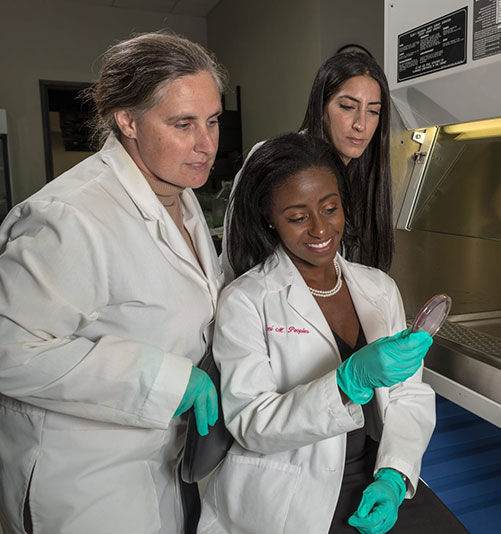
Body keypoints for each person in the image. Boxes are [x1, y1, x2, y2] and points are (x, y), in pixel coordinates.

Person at [0, 31, 224, 534]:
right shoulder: (71, 217)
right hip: (84, 480)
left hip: (161, 461)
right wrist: (167, 380)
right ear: (127, 120)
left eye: (212, 121)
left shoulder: (182, 200)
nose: (206, 144)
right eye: (183, 124)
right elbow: (8, 348)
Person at [198, 134, 467, 534]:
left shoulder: (378, 288)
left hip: (375, 472)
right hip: (290, 486)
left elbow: (409, 394)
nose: (321, 229)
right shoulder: (246, 301)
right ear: (270, 218)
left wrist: (395, 475)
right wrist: (346, 382)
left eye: (330, 208)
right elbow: (251, 422)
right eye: (297, 216)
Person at [220, 51, 393, 282]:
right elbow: (238, 256)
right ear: (321, 108)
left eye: (373, 111)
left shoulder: (370, 176)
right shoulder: (276, 161)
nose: (361, 124)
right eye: (347, 107)